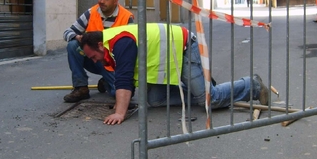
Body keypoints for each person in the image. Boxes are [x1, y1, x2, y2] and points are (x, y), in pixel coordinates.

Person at [79, 23, 269, 125]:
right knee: (155, 100)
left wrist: (119, 112)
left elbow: (124, 79)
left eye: (93, 56)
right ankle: (203, 89)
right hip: (169, 58)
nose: (95, 60)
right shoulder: (111, 46)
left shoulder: (119, 42)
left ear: (98, 45)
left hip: (184, 47)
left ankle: (252, 85)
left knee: (210, 99)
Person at [62, 0, 134, 102]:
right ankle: (81, 88)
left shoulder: (126, 18)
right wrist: (77, 37)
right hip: (93, 59)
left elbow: (132, 47)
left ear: (116, 0)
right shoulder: (91, 13)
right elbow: (67, 32)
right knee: (73, 45)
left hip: (113, 63)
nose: (102, 1)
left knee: (121, 95)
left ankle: (106, 83)